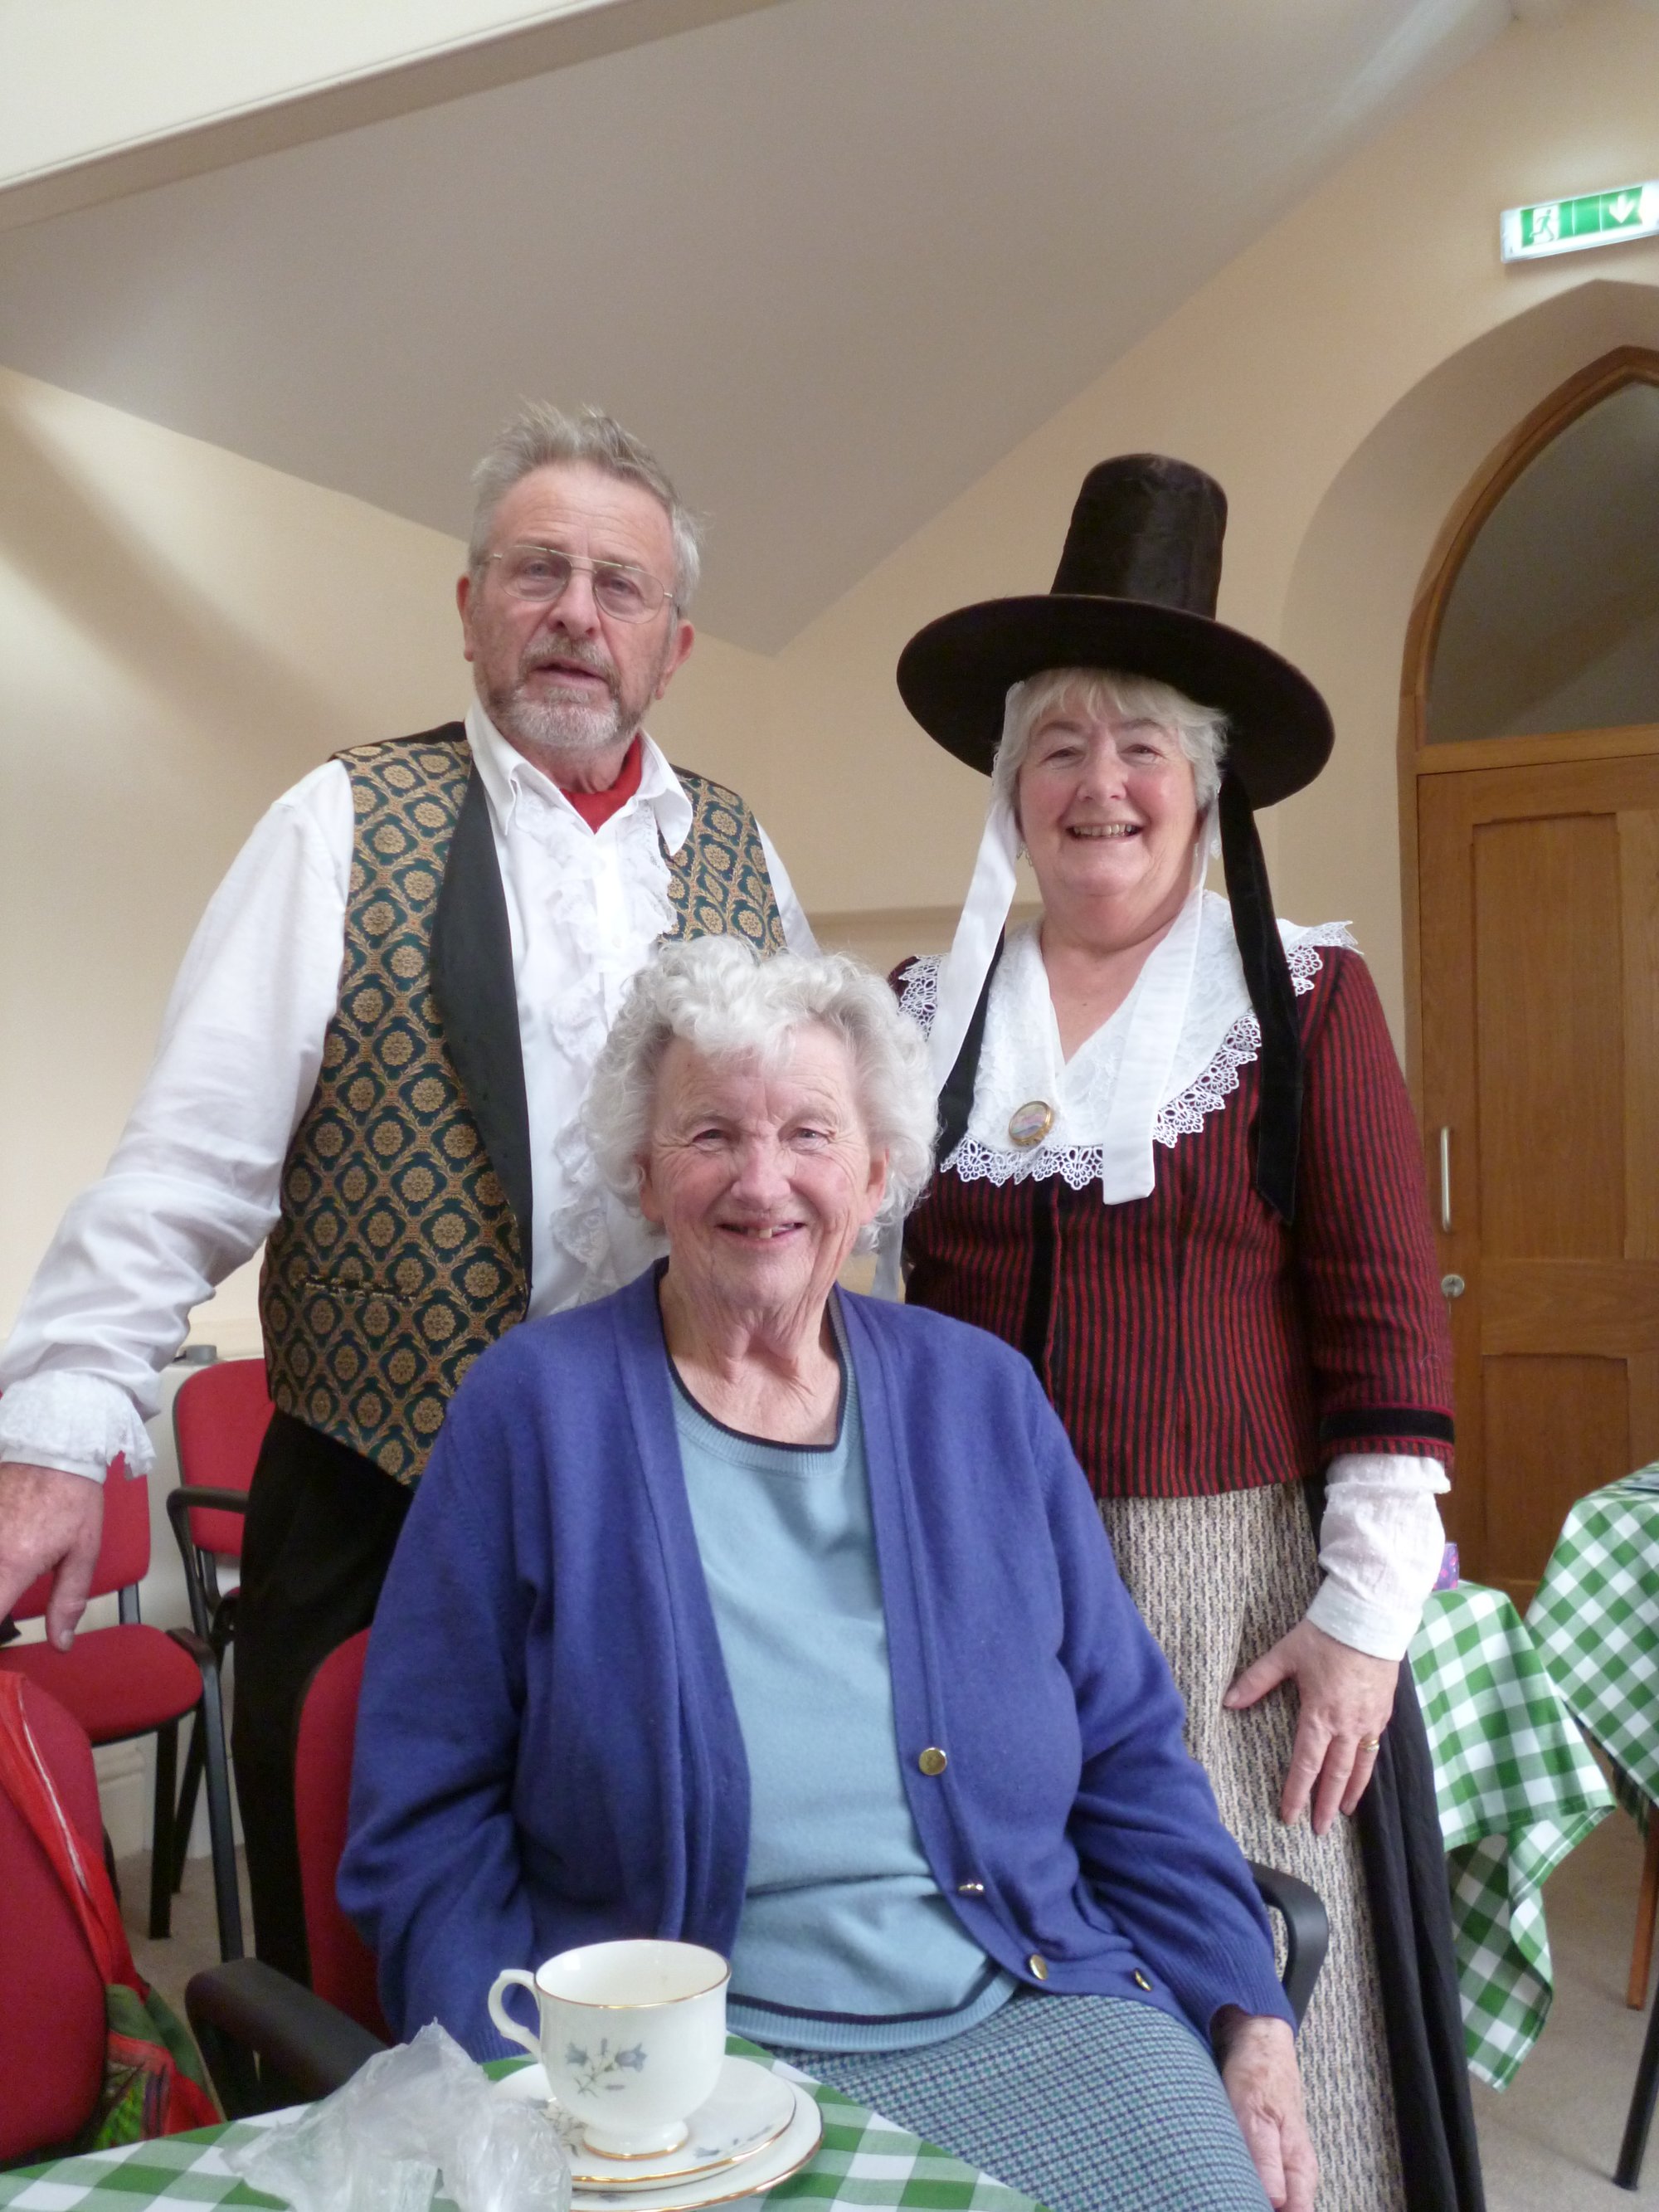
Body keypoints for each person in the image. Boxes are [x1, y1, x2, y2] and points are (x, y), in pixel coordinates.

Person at [0, 404, 815, 1983]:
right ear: (469, 608)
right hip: (378, 1504)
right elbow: (184, 1167)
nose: (578, 614)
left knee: (657, 1937)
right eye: (538, 572)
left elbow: (792, 1171)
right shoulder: (338, 823)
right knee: (361, 1963)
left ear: (676, 642)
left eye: (619, 586)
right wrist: (46, 1444)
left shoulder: (740, 852)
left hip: (674, 1500)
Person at [340, 934, 1315, 2212]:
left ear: (877, 1170)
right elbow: (426, 1811)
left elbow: (1129, 1752)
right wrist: (518, 2080)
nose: (763, 1181)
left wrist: (1249, 2012)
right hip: (691, 2068)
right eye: (710, 1136)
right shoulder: (534, 1410)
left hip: (1033, 2000)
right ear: (644, 1171)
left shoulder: (983, 1398)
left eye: (809, 1132)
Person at [883, 456, 1480, 2212]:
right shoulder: (919, 1022)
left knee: (1264, 2030)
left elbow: (1386, 1338)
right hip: (975, 1593)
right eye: (1058, 744)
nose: (1100, 784)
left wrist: (1360, 1630)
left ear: (1205, 787)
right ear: (1010, 787)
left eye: (1143, 744)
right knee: (1028, 2007)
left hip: (1232, 1613)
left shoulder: (1300, 1002)